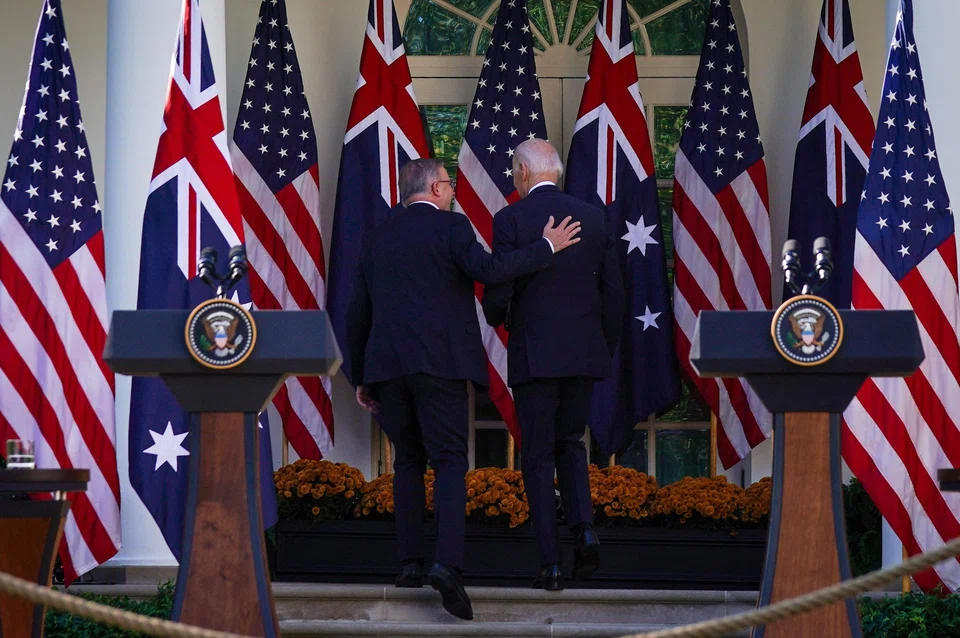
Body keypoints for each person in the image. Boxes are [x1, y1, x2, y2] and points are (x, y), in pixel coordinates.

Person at [345, 158, 582, 620]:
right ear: (435, 187)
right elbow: (491, 270)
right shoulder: (451, 229)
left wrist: (361, 376)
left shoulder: (377, 236)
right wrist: (546, 248)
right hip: (440, 365)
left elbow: (358, 310)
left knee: (408, 462)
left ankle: (410, 564)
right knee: (450, 461)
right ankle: (446, 565)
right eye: (449, 184)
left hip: (387, 368)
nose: (453, 191)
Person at [482, 139, 624, 591]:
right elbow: (614, 295)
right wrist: (601, 346)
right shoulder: (595, 217)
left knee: (538, 456)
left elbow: (497, 290)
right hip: (583, 353)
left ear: (523, 172)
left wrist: (498, 315)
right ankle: (583, 528)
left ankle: (552, 564)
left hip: (535, 354)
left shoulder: (510, 220)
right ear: (555, 172)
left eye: (512, 170)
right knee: (571, 445)